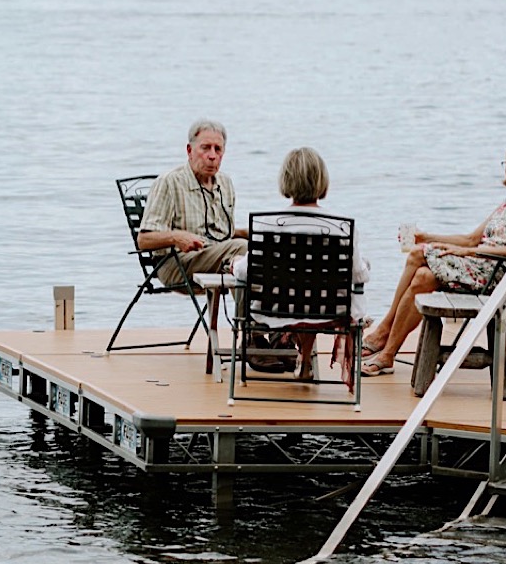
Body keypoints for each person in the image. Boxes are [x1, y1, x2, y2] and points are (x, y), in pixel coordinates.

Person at [359, 141, 506, 376]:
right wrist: (428, 237)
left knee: (417, 254)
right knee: (422, 275)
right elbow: (472, 239)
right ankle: (388, 354)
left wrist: (470, 253)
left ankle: (383, 331)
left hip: (504, 275)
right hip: (480, 265)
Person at [230, 147, 370, 379]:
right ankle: (304, 359)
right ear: (322, 182)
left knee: (301, 291)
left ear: (285, 181)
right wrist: (365, 266)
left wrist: (235, 263)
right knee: (314, 291)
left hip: (275, 311)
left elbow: (246, 272)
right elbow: (357, 275)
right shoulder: (343, 228)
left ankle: (302, 359)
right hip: (330, 312)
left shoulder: (268, 225)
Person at [136, 119, 247, 287]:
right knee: (242, 250)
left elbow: (221, 235)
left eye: (218, 149)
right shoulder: (169, 182)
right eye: (205, 148)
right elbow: (144, 240)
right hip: (175, 264)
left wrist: (250, 233)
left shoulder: (225, 183)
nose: (212, 155)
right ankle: (246, 312)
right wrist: (177, 237)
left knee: (257, 251)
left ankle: (258, 310)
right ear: (190, 150)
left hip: (218, 257)